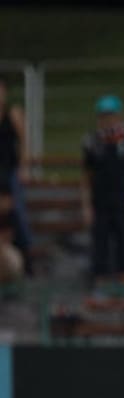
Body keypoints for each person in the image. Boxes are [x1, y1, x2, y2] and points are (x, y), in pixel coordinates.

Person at [80, 95, 124, 290]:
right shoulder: (91, 143)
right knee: (100, 244)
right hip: (100, 201)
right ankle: (100, 285)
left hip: (123, 199)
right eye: (104, 116)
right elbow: (86, 176)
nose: (108, 120)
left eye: (111, 116)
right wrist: (86, 205)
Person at [0, 74, 31, 274]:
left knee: (18, 211)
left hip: (9, 172)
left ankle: (27, 257)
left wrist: (24, 168)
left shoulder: (13, 114)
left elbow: (24, 143)